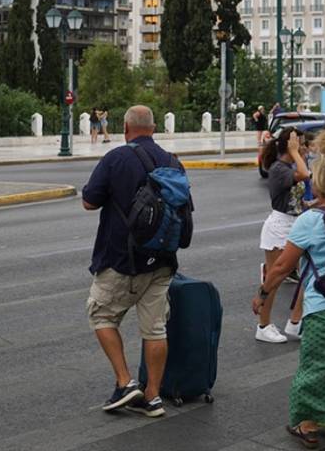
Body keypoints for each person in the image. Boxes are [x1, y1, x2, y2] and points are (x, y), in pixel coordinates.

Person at [82, 105, 192, 418]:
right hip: (163, 260)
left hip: (122, 258)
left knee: (101, 315)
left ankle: (125, 382)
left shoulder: (116, 158)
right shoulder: (173, 161)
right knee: (155, 329)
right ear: (154, 128)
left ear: (126, 128)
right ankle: (154, 397)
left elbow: (89, 201)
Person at [252, 155, 325, 451]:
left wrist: (263, 294)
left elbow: (280, 268)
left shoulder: (311, 220)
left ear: (321, 182)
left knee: (318, 377)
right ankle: (308, 426)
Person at [256, 127, 309, 343]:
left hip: (295, 224)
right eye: (300, 143)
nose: (304, 148)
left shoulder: (289, 166)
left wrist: (310, 204)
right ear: (290, 145)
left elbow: (295, 198)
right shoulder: (279, 168)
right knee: (275, 279)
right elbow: (305, 175)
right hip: (279, 227)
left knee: (306, 274)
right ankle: (263, 325)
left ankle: (295, 323)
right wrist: (296, 152)